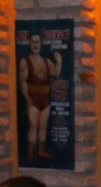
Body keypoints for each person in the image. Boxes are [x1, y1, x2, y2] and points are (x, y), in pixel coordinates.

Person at [20, 32, 61, 161]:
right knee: (33, 126)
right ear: (29, 44)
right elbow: (23, 82)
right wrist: (27, 99)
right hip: (33, 99)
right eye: (33, 42)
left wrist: (59, 62)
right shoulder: (25, 61)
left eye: (37, 42)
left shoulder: (46, 61)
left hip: (45, 99)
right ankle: (31, 152)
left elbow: (55, 73)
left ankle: (41, 151)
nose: (35, 45)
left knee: (43, 126)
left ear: (41, 44)